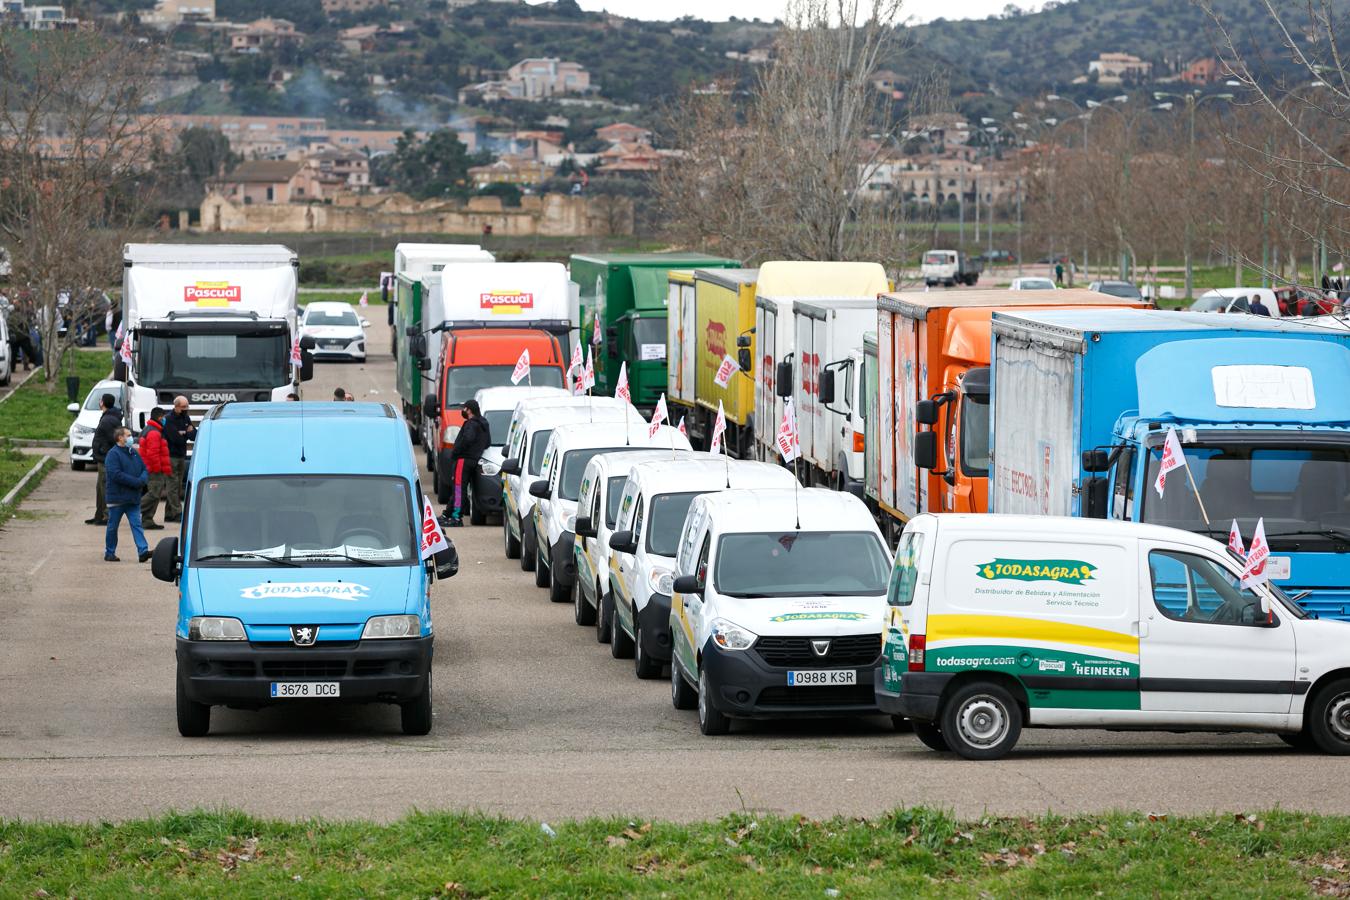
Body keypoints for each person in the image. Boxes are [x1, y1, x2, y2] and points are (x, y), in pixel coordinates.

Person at [439, 399, 490, 528]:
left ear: (469, 410)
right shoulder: (484, 423)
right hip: (474, 459)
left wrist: (456, 451)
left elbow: (468, 438)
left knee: (458, 488)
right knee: (459, 488)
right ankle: (447, 514)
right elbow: (487, 442)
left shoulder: (471, 424)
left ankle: (456, 517)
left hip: (464, 459)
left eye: (464, 408)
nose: (463, 411)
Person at [103, 427, 150, 562]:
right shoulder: (113, 454)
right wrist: (136, 482)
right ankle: (109, 552)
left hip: (133, 498)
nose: (131, 438)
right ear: (120, 438)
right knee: (113, 527)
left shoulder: (133, 452)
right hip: (118, 498)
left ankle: (143, 551)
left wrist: (142, 479)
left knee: (137, 525)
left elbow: (144, 468)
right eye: (128, 435)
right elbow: (116, 474)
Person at [84, 393, 122, 526]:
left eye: (100, 400)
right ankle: (99, 515)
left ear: (102, 402)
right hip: (103, 458)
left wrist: (103, 450)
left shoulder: (108, 420)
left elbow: (114, 439)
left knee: (105, 487)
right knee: (100, 488)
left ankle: (107, 516)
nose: (99, 401)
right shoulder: (108, 417)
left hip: (106, 459)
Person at [163, 396, 195, 523]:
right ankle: (177, 512)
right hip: (171, 456)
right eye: (183, 407)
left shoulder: (186, 418)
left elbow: (194, 435)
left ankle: (169, 513)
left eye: (187, 407)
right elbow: (174, 438)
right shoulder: (168, 419)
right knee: (172, 486)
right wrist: (185, 433)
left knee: (178, 486)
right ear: (176, 407)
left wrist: (184, 433)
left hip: (181, 455)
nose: (185, 410)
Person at [138, 407, 171, 530]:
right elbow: (153, 453)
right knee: (154, 494)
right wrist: (158, 469)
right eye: (164, 417)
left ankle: (147, 520)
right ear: (159, 417)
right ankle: (135, 509)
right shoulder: (154, 432)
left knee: (155, 494)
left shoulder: (151, 430)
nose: (165, 420)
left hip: (151, 468)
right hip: (154, 469)